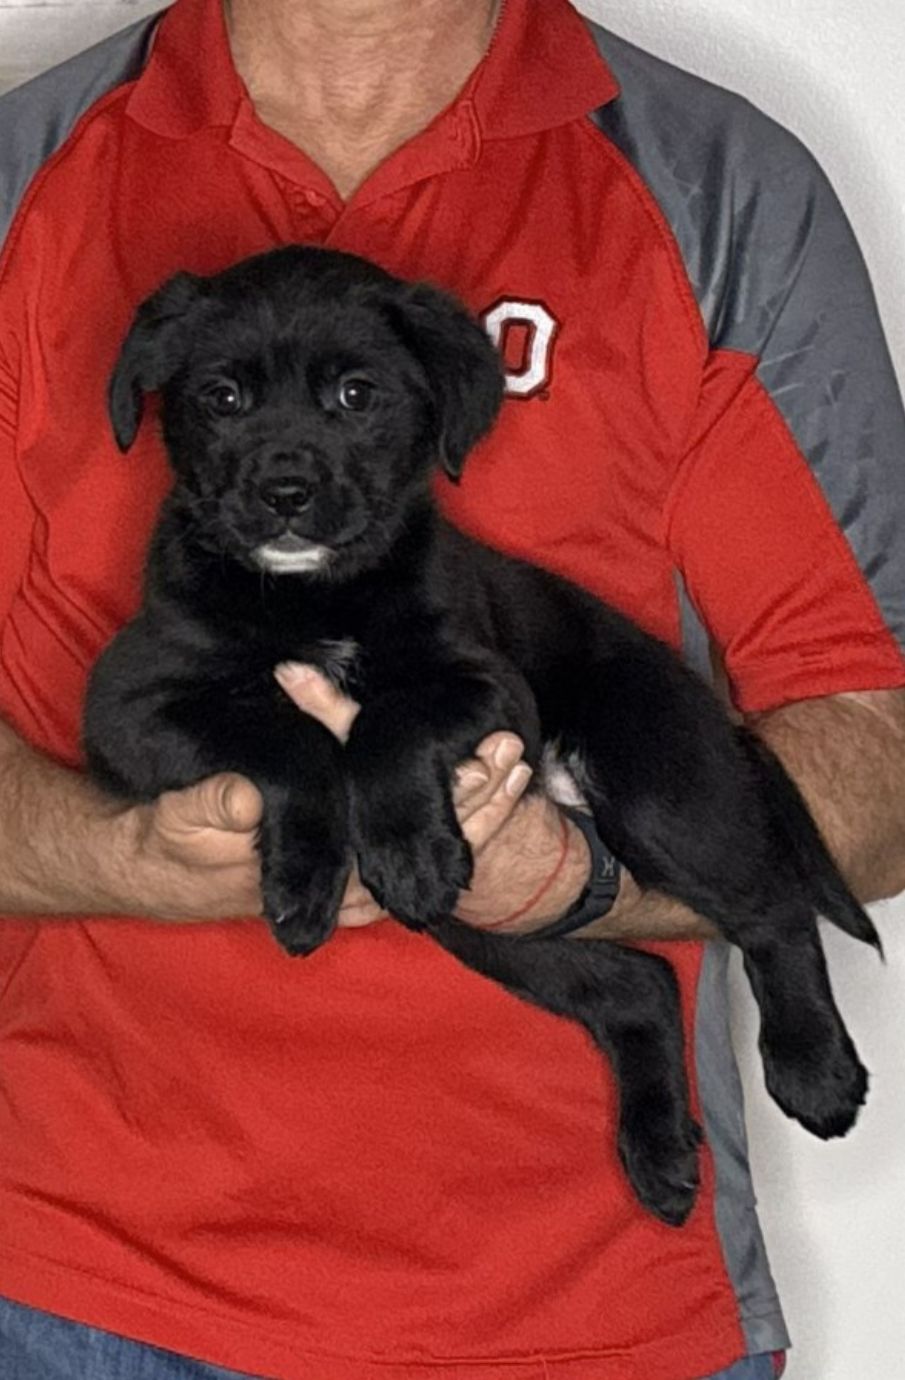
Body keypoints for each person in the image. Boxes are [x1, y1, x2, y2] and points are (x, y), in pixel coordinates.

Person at [0, 0, 903, 1376]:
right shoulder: (29, 171)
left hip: (583, 1322)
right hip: (73, 1293)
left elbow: (879, 761)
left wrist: (580, 886)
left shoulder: (714, 191)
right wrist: (116, 856)